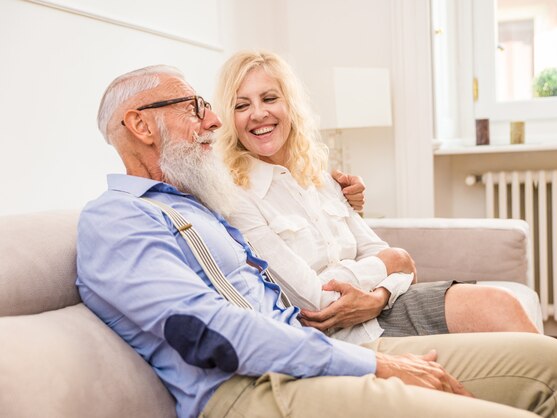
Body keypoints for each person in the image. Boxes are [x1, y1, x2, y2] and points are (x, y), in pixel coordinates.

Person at [77, 64, 557, 418]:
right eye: (195, 107)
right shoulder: (119, 219)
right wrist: (374, 362)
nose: (213, 120)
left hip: (308, 359)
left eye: (210, 106)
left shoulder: (198, 205)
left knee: (556, 365)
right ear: (140, 124)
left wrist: (368, 244)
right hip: (249, 389)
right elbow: (212, 334)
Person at [214, 50, 539, 345]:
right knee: (496, 310)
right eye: (242, 105)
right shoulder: (239, 198)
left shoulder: (320, 177)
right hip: (346, 337)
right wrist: (386, 266)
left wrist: (378, 296)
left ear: (290, 107)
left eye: (269, 98)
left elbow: (399, 265)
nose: (257, 113)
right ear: (231, 120)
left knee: (501, 307)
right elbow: (314, 301)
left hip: (383, 309)